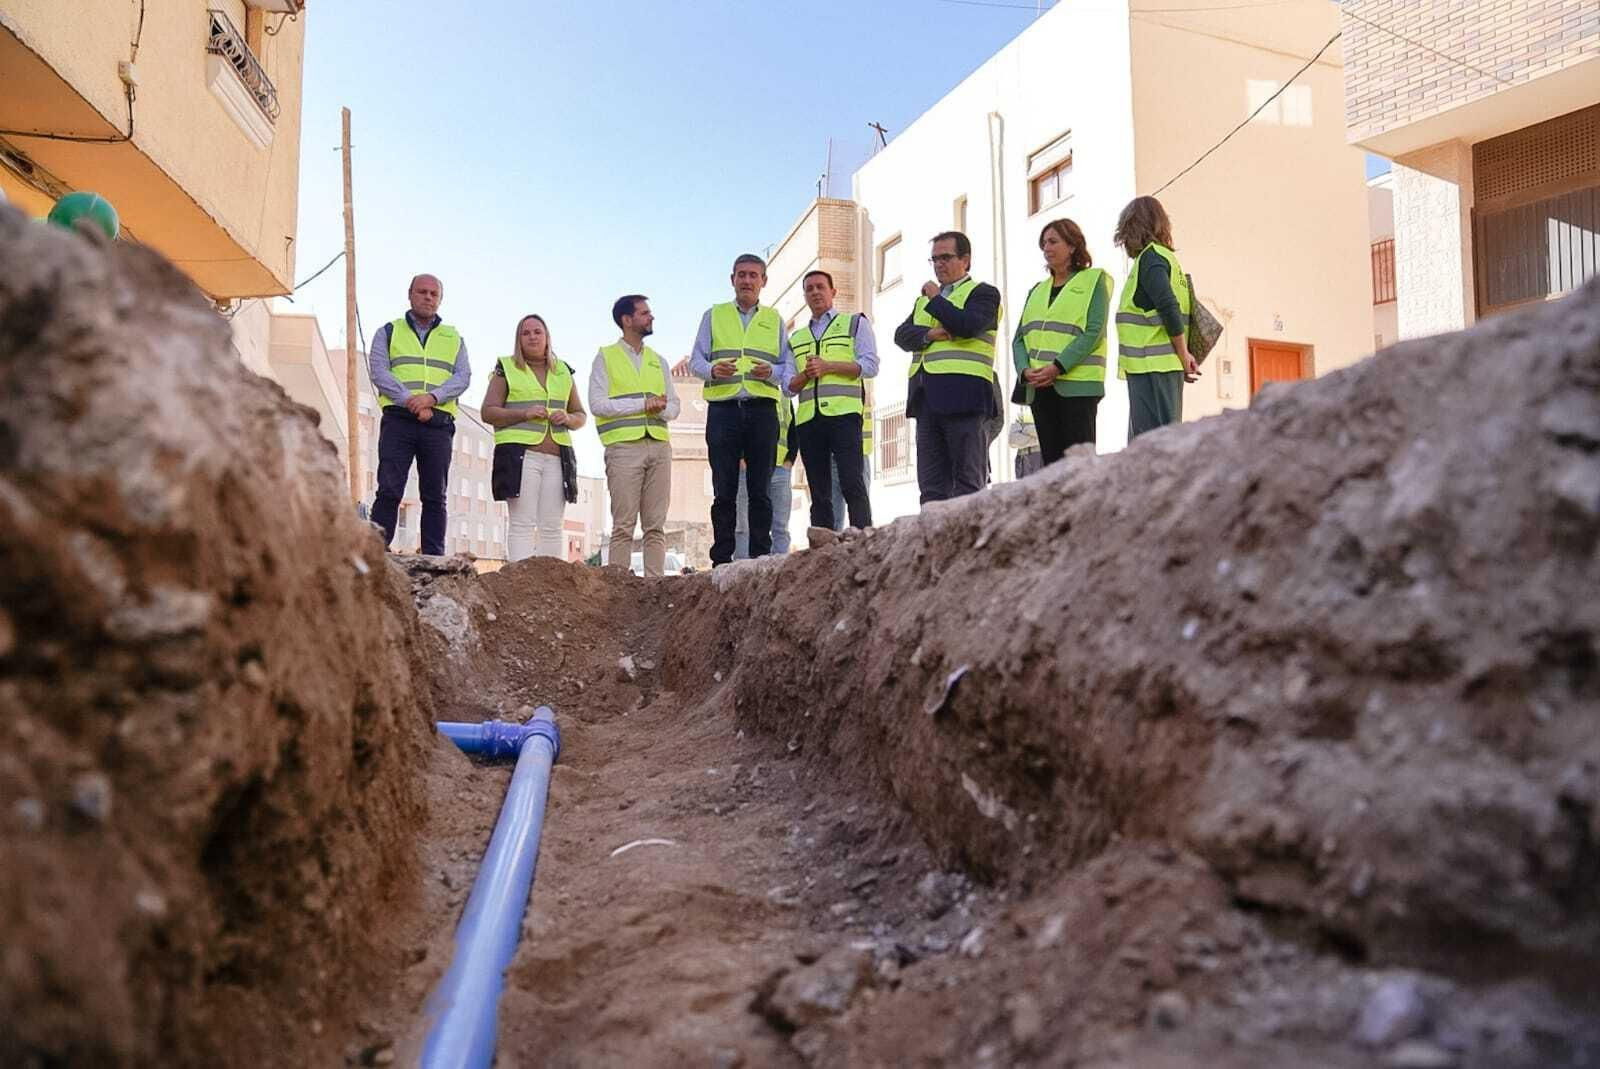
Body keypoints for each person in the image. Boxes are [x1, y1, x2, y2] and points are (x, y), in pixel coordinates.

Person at [689, 254, 796, 566]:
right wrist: (712, 370)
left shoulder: (774, 319)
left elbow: (786, 366)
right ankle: (721, 559)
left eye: (753, 275)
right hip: (724, 411)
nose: (747, 281)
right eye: (741, 275)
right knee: (724, 489)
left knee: (760, 490)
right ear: (732, 279)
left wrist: (773, 375)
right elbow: (696, 360)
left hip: (763, 411)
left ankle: (759, 558)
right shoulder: (714, 315)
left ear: (763, 281)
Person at [893, 231, 1001, 504]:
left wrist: (935, 298)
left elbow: (967, 325)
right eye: (934, 259)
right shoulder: (923, 301)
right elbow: (901, 335)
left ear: (965, 260)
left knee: (967, 485)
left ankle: (968, 545)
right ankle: (932, 546)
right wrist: (930, 335)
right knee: (931, 488)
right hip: (925, 399)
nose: (939, 264)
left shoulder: (983, 293)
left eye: (946, 257)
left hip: (965, 398)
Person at [368, 273, 471, 555]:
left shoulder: (454, 338)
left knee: (435, 496)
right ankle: (376, 553)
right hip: (399, 421)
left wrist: (431, 398)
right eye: (422, 292)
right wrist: (409, 400)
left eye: (433, 294)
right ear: (410, 294)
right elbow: (379, 371)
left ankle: (434, 557)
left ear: (440, 299)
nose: (427, 297)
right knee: (389, 489)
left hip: (438, 425)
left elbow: (462, 377)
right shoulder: (389, 331)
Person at [484, 314, 586, 561]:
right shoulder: (505, 368)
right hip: (521, 456)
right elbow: (488, 412)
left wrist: (568, 419)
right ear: (518, 339)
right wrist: (523, 413)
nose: (532, 337)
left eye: (537, 332)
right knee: (522, 523)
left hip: (556, 458)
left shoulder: (563, 371)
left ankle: (550, 581)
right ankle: (519, 578)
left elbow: (580, 414)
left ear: (547, 337)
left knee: (552, 526)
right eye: (525, 332)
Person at [589, 295, 678, 576]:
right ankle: (617, 588)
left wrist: (659, 408)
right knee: (623, 525)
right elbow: (597, 404)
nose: (651, 317)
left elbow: (674, 407)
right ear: (627, 320)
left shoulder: (658, 361)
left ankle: (656, 587)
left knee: (656, 526)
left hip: (659, 447)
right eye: (644, 313)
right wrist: (642, 404)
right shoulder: (606, 357)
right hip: (623, 448)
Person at [1013, 218, 1111, 465]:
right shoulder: (1036, 290)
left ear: (1073, 246)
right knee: (1052, 467)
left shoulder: (1094, 281)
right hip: (1040, 389)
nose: (1046, 248)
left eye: (1053, 241)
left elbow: (1094, 331)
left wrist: (1058, 366)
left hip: (1078, 387)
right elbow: (1019, 339)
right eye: (1043, 243)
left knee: (1080, 466)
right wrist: (1025, 371)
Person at [788, 270, 876, 532]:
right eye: (809, 289)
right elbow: (788, 386)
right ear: (805, 296)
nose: (815, 292)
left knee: (853, 483)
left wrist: (829, 367)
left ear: (833, 292)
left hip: (844, 416)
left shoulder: (854, 323)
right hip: (809, 421)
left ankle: (863, 541)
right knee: (819, 491)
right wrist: (806, 374)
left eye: (820, 287)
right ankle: (822, 550)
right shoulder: (796, 338)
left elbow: (870, 365)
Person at [1113, 196, 1199, 438]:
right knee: (1159, 442)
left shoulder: (1150, 259)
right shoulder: (1167, 259)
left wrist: (1183, 356)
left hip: (1151, 369)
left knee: (1153, 445)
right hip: (1161, 367)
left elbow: (1168, 306)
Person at [734, 397, 799, 557]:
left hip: (780, 469)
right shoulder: (750, 391)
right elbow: (738, 425)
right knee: (744, 526)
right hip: (750, 468)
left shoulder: (784, 396)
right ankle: (743, 571)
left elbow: (792, 430)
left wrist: (790, 459)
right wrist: (741, 457)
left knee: (780, 526)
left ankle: (779, 572)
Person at [830, 382, 874, 532]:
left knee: (858, 506)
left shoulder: (859, 367)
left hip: (858, 453)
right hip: (830, 453)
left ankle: (862, 548)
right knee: (833, 517)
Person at [1009, 407, 1043, 478]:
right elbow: (1013, 440)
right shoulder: (1023, 415)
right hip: (1024, 462)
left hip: (1042, 460)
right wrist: (1038, 440)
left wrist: (1025, 429)